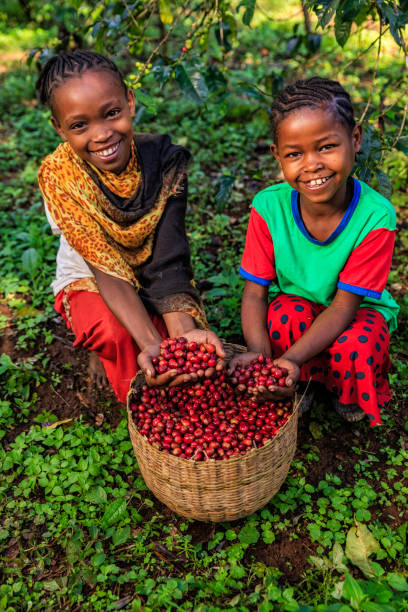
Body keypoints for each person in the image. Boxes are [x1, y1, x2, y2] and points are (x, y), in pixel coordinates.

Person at [36, 49, 225, 404]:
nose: (103, 134)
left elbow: (167, 259)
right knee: (117, 333)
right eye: (80, 125)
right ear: (59, 129)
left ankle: (139, 353)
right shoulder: (61, 180)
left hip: (148, 274)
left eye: (111, 114)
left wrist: (182, 334)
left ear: (130, 102)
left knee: (180, 342)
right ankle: (139, 395)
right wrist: (152, 346)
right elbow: (106, 270)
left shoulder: (163, 162)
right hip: (91, 279)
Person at [230, 77, 399, 425]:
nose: (312, 165)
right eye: (295, 154)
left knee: (359, 343)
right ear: (278, 156)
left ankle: (344, 389)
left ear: (355, 139)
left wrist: (287, 359)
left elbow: (342, 308)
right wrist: (262, 359)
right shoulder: (268, 207)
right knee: (283, 317)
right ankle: (301, 380)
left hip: (353, 310)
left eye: (326, 147)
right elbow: (254, 294)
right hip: (299, 308)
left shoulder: (375, 217)